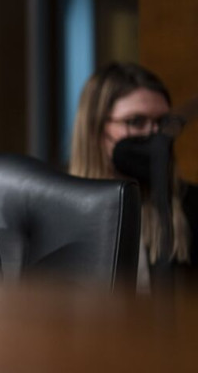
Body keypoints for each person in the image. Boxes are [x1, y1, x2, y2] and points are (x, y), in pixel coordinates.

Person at [69, 62, 197, 289]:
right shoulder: (60, 213)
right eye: (136, 122)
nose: (154, 134)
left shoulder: (192, 207)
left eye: (162, 123)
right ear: (95, 129)